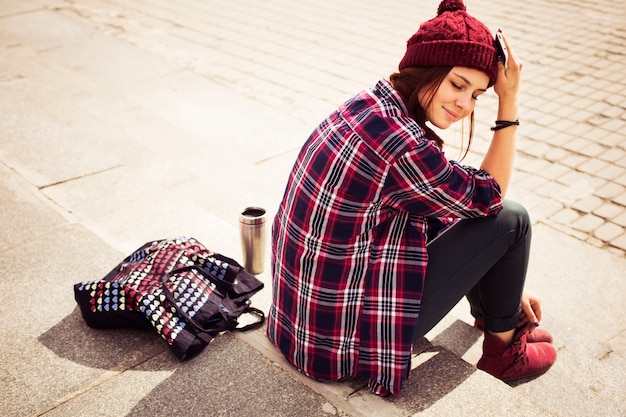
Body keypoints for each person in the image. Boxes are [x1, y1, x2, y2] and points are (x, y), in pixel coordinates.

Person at [266, 0, 557, 398]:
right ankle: (504, 352)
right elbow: (488, 197)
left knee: (470, 213)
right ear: (426, 68)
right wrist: (509, 105)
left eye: (478, 95)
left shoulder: (371, 104)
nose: (464, 105)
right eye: (457, 84)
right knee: (511, 219)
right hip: (344, 343)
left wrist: (496, 273)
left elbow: (441, 202)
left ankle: (496, 311)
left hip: (301, 324)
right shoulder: (402, 144)